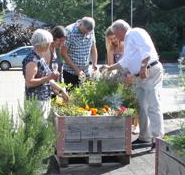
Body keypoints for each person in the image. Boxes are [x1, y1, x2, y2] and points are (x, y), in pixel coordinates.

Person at [100, 19, 164, 151]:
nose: (116, 38)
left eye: (116, 34)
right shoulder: (128, 39)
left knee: (153, 105)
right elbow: (125, 61)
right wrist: (109, 68)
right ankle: (145, 136)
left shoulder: (134, 32)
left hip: (149, 72)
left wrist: (142, 68)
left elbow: (146, 50)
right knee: (141, 106)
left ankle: (158, 140)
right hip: (140, 76)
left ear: (120, 29)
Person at [23, 29, 69, 119]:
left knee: (44, 128)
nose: (50, 44)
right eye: (49, 42)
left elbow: (48, 79)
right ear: (43, 43)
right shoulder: (32, 59)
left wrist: (61, 91)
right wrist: (49, 77)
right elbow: (29, 82)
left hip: (43, 99)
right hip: (35, 101)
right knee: (38, 129)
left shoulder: (40, 57)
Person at [61, 17, 98, 87]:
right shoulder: (69, 31)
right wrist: (76, 70)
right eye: (84, 31)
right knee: (72, 97)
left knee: (86, 95)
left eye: (88, 32)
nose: (87, 34)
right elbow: (63, 53)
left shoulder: (91, 30)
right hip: (71, 73)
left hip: (86, 72)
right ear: (80, 24)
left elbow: (93, 49)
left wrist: (94, 64)